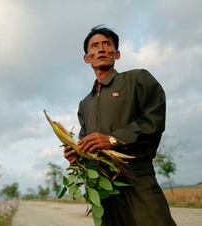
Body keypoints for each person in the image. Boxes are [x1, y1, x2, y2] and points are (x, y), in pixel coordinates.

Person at [63, 25, 177, 226]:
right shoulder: (84, 104)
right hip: (104, 187)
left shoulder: (137, 79)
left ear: (117, 53)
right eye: (94, 46)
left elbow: (154, 120)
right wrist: (77, 153)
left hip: (137, 178)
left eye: (107, 44)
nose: (101, 49)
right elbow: (85, 141)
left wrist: (113, 140)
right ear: (86, 58)